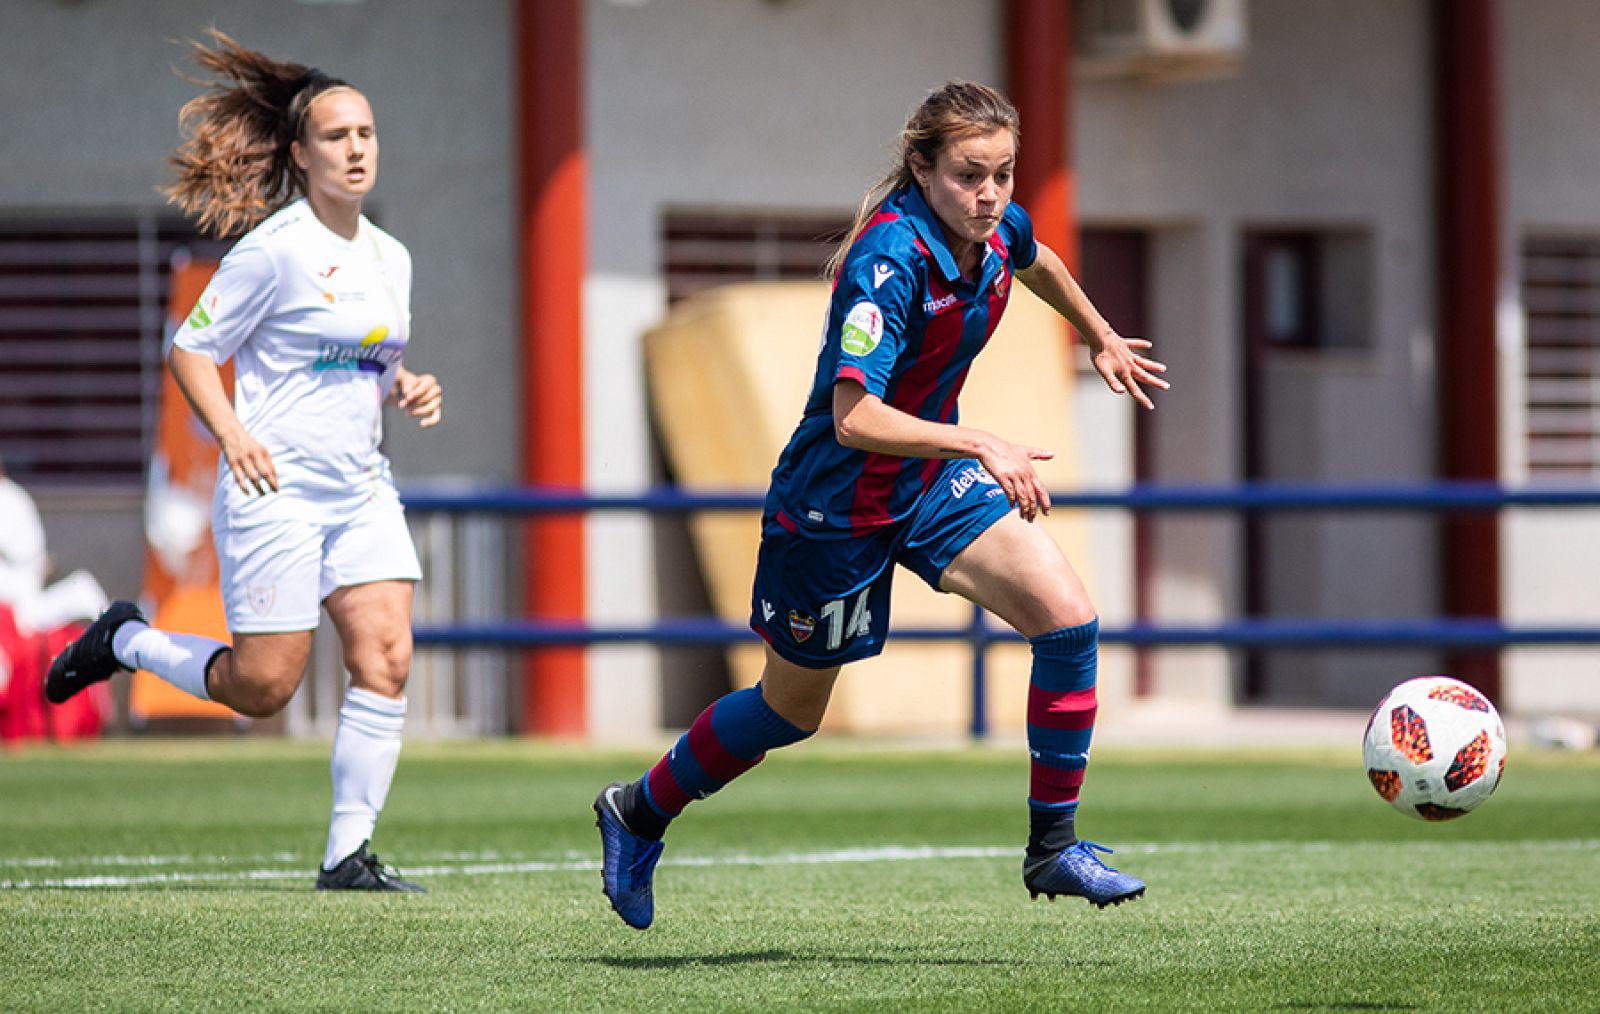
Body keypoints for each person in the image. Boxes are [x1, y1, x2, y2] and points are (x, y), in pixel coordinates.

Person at [593, 81, 1168, 929]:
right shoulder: (887, 261)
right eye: (971, 175)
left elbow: (1036, 255)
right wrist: (979, 441)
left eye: (1005, 174)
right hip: (834, 503)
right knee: (791, 711)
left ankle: (1054, 846)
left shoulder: (994, 227)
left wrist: (1099, 333)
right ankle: (638, 810)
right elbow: (853, 418)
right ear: (921, 169)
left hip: (926, 481)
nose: (992, 195)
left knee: (1068, 620)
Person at [44, 30, 442, 892]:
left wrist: (405, 383)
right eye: (337, 137)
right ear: (301, 156)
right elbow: (191, 348)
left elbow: (363, 359)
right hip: (277, 486)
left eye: (366, 133)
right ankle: (129, 640)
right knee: (264, 688)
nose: (356, 148)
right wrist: (232, 434)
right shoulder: (275, 248)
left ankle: (347, 856)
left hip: (360, 486)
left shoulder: (391, 256)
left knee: (388, 656)